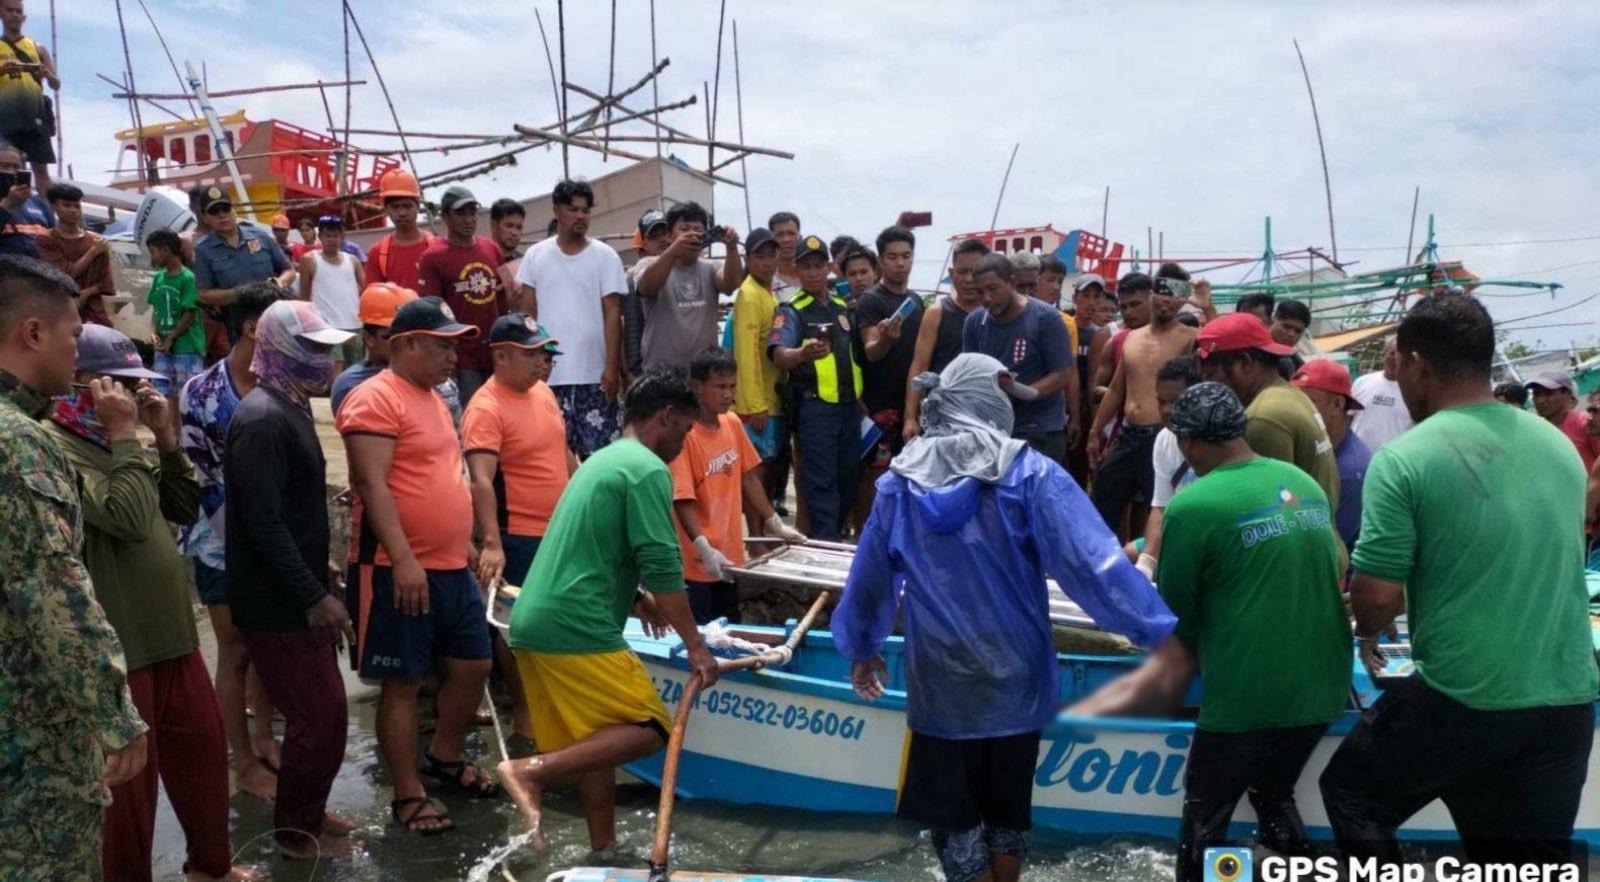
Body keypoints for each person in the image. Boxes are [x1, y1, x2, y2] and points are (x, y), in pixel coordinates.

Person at [834, 353, 1177, 882]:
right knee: (1008, 814)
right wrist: (1157, 631)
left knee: (955, 822)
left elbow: (871, 577)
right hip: (1018, 681)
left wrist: (862, 647)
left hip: (943, 686)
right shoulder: (1032, 474)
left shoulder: (900, 484)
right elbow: (1096, 567)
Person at [1321, 294, 1599, 867]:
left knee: (1353, 793)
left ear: (1418, 363)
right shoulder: (1559, 448)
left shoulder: (1405, 458)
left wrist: (1367, 631)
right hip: (1567, 700)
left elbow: (1377, 596)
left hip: (1465, 695)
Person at [1076, 382, 1350, 882]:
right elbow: (1332, 565)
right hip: (1325, 682)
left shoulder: (1194, 506)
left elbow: (1180, 618)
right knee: (1273, 796)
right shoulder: (1299, 482)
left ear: (1190, 443)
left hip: (1248, 695)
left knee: (1207, 823)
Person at [45, 324, 249, 882]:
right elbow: (132, 520)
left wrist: (162, 438)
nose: (135, 397)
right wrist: (124, 437)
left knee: (203, 761)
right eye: (122, 385)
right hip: (122, 647)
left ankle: (210, 867)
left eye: (139, 387)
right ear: (83, 384)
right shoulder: (57, 448)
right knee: (131, 798)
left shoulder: (126, 440)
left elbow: (181, 508)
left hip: (173, 636)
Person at [498, 369, 722, 851]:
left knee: (594, 743)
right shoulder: (645, 468)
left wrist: (633, 598)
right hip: (574, 627)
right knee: (649, 729)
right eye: (684, 430)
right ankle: (528, 771)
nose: (683, 444)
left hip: (533, 624)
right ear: (666, 417)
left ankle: (604, 849)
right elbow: (662, 565)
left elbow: (595, 545)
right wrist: (697, 646)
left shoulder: (603, 460)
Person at [0, 254, 148, 881]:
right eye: (70, 336)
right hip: (31, 733)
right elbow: (52, 593)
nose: (74, 355)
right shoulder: (18, 442)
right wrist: (115, 717)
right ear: (32, 333)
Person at [338, 296, 499, 834]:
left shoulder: (433, 398)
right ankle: (408, 792)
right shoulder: (375, 398)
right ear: (406, 343)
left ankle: (444, 754)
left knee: (474, 663)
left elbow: (444, 474)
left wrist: (468, 544)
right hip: (395, 566)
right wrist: (404, 558)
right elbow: (371, 483)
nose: (453, 357)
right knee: (403, 682)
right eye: (441, 346)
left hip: (451, 563)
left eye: (455, 347)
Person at [224, 300, 359, 860]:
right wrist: (312, 595)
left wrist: (319, 568)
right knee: (316, 717)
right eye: (312, 349)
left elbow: (290, 509)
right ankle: (294, 834)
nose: (324, 361)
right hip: (277, 603)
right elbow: (262, 522)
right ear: (278, 349)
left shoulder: (290, 405)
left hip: (298, 591)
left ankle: (306, 810)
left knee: (326, 716)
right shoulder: (262, 419)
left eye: (328, 350)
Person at [177, 282, 286, 804]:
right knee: (236, 649)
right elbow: (200, 478)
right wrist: (245, 536)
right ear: (251, 327)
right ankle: (242, 761)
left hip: (274, 537)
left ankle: (265, 735)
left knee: (268, 642)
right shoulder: (201, 392)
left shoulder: (281, 383)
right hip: (220, 542)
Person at [462, 313, 575, 740]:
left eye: (540, 352)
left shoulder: (543, 393)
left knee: (556, 622)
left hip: (558, 530)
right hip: (517, 535)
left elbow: (562, 452)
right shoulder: (486, 407)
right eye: (530, 353)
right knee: (517, 629)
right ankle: (523, 712)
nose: (539, 362)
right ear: (501, 356)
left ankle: (554, 703)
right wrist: (492, 543)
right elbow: (481, 479)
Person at [671, 347, 805, 623]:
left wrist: (774, 523)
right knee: (702, 634)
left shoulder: (732, 423)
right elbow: (681, 499)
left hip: (731, 556)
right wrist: (703, 548)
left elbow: (748, 477)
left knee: (731, 627)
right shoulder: (686, 436)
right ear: (697, 387)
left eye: (732, 386)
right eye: (719, 387)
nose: (728, 394)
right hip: (696, 563)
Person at [516, 179, 627, 456]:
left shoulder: (606, 256)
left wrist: (611, 369)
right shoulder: (535, 256)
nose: (580, 216)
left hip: (596, 378)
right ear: (556, 210)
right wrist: (535, 366)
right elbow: (528, 317)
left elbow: (613, 314)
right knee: (552, 460)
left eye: (585, 210)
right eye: (572, 209)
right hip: (548, 379)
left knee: (601, 461)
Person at [1088, 268, 1197, 534]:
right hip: (1127, 434)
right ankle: (1104, 569)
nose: (1165, 301)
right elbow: (1115, 389)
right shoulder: (1131, 338)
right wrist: (1094, 433)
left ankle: (1157, 569)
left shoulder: (1191, 338)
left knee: (1162, 511)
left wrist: (1208, 307)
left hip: (1164, 436)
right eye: (1161, 293)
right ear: (1152, 294)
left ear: (1183, 300)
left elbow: (1219, 355)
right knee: (1101, 504)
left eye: (1174, 295)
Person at [768, 235, 863, 540]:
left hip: (850, 409)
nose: (812, 272)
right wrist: (802, 354)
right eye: (806, 267)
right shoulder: (791, 309)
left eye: (818, 265)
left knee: (848, 480)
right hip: (816, 409)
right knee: (820, 485)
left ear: (828, 267)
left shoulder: (841, 306)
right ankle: (828, 553)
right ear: (797, 270)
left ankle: (832, 541)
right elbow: (779, 355)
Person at [1197, 311, 1340, 507]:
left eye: (1211, 374)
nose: (1211, 385)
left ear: (1245, 363)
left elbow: (1272, 511)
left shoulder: (1263, 417)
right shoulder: (1288, 394)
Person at [961, 253, 1076, 465]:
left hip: (1040, 430)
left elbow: (1062, 375)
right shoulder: (974, 322)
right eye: (980, 292)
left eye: (993, 289)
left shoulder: (1046, 318)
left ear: (1012, 282)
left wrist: (1019, 390)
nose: (986, 298)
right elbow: (970, 371)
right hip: (994, 431)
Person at [854, 225, 924, 517]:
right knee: (872, 485)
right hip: (877, 411)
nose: (900, 263)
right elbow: (871, 350)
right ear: (880, 261)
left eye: (906, 256)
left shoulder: (918, 303)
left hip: (909, 407)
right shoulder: (871, 300)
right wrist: (885, 337)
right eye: (893, 257)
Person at [415, 186, 505, 404]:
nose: (469, 219)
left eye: (472, 212)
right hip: (461, 357)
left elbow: (503, 299)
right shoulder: (433, 257)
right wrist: (444, 358)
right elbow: (432, 314)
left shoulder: (492, 249)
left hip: (495, 353)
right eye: (461, 213)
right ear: (445, 216)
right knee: (472, 414)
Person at [328, 282, 462, 424]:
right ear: (370, 338)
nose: (404, 342)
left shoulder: (433, 376)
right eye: (393, 335)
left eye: (412, 336)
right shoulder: (354, 385)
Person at [633, 201, 741, 370]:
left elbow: (730, 285)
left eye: (698, 230)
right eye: (684, 229)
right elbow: (647, 287)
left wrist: (732, 247)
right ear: (669, 235)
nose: (692, 234)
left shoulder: (712, 267)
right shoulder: (648, 263)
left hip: (704, 374)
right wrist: (673, 252)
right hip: (661, 372)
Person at [903, 237, 989, 441]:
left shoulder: (996, 313)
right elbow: (919, 367)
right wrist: (910, 418)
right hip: (942, 418)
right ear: (951, 273)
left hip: (985, 417)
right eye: (962, 272)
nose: (968, 279)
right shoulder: (937, 312)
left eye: (975, 272)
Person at [1127, 355, 1204, 578]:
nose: (1168, 410)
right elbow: (1160, 508)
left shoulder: (1217, 442)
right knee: (1126, 556)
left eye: (1176, 401)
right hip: (1177, 534)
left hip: (1211, 537)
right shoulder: (1163, 439)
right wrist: (1146, 564)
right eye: (1162, 402)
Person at [729, 227, 787, 522]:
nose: (767, 262)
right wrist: (754, 405)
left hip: (771, 400)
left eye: (772, 255)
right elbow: (746, 352)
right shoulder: (749, 295)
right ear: (747, 259)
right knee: (756, 472)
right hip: (758, 406)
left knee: (766, 469)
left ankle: (760, 535)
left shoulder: (767, 294)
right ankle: (755, 539)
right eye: (759, 256)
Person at [1291, 358, 1371, 550]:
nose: (1295, 409)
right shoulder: (1322, 447)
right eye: (1294, 400)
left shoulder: (1351, 471)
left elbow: (1321, 544)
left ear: (1337, 404)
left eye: (1307, 401)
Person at [192, 187, 294, 326]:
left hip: (275, 317)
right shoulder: (203, 250)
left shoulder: (261, 236)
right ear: (204, 217)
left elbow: (289, 270)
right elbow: (203, 294)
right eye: (214, 211)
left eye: (225, 209)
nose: (222, 215)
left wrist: (279, 283)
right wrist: (241, 294)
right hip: (239, 323)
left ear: (233, 211)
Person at [36, 182, 116, 326]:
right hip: (61, 311)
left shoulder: (96, 240)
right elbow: (65, 274)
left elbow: (107, 283)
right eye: (67, 205)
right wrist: (93, 251)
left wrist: (87, 293)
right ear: (54, 207)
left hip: (95, 314)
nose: (73, 210)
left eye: (77, 206)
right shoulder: (46, 239)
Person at [0, 0, 58, 190]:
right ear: (1, 14)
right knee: (11, 169)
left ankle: (48, 214)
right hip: (6, 118)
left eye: (18, 11)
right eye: (10, 10)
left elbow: (56, 84)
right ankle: (12, 214)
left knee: (41, 170)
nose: (15, 15)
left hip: (36, 118)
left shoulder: (37, 47)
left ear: (24, 17)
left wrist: (48, 74)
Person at [298, 214, 365, 374]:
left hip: (354, 325)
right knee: (335, 369)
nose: (332, 239)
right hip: (326, 327)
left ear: (342, 237)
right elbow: (304, 297)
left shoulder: (353, 261)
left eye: (336, 235)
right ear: (320, 236)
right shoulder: (309, 260)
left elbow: (365, 289)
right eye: (327, 235)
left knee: (354, 371)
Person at [144, 229, 205, 402]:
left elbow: (190, 312)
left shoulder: (188, 278)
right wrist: (154, 333)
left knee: (188, 394)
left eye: (153, 252)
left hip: (186, 347)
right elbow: (156, 308)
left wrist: (171, 337)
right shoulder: (159, 278)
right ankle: (170, 429)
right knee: (161, 393)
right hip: (163, 347)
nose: (152, 258)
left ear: (165, 250)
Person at [1065, 273, 1109, 482]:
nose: (1092, 302)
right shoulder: (1062, 328)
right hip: (1066, 408)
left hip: (1090, 409)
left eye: (1097, 296)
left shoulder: (1102, 336)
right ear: (1075, 299)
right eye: (1086, 296)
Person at [365, 169, 434, 292]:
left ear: (417, 206)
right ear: (386, 209)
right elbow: (374, 298)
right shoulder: (377, 253)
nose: (402, 213)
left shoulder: (436, 248)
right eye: (395, 207)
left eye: (407, 206)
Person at [623, 208, 670, 375]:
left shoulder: (689, 268)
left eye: (665, 232)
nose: (663, 239)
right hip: (654, 371)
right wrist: (638, 371)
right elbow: (633, 330)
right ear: (644, 246)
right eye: (654, 236)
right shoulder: (632, 279)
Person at [1525, 370, 1600, 472]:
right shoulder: (1536, 431)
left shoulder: (1588, 423)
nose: (1540, 401)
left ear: (1568, 394)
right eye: (1536, 394)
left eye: (1548, 394)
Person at [1349, 336, 1414, 449]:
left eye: (1400, 355)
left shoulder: (1414, 391)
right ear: (1384, 355)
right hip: (1358, 460)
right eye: (1392, 353)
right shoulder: (1362, 382)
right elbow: (1348, 418)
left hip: (1391, 462)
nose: (1395, 359)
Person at [0, 143, 50, 256]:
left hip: (41, 269)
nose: (11, 172)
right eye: (4, 166)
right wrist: (8, 205)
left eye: (16, 167)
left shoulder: (38, 204)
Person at [490, 198, 527, 306]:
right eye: (509, 226)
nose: (514, 233)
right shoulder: (482, 262)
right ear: (494, 225)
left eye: (519, 227)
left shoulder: (526, 261)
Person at [767, 210, 802, 300]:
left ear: (800, 237)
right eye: (779, 235)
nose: (786, 239)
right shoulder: (765, 280)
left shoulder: (814, 276)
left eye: (791, 233)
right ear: (771, 238)